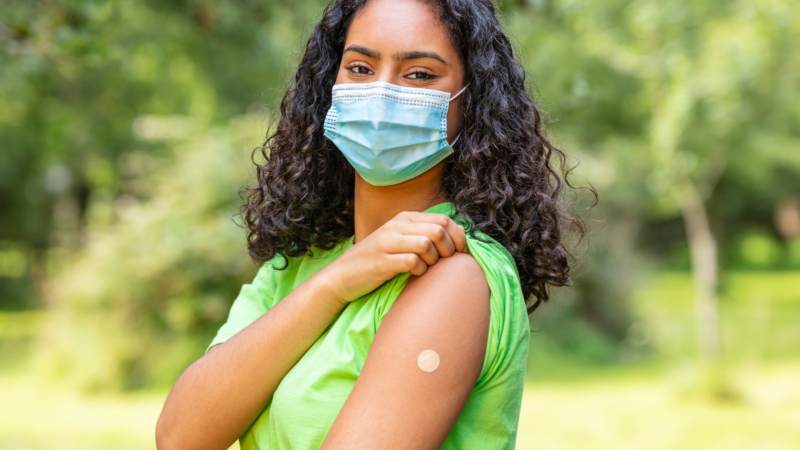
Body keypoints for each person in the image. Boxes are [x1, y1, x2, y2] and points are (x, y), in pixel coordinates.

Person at [156, 0, 587, 448]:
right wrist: (335, 283)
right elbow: (180, 437)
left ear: (471, 102)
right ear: (329, 84)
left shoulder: (450, 271)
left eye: (419, 74)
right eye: (360, 68)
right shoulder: (302, 264)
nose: (380, 93)